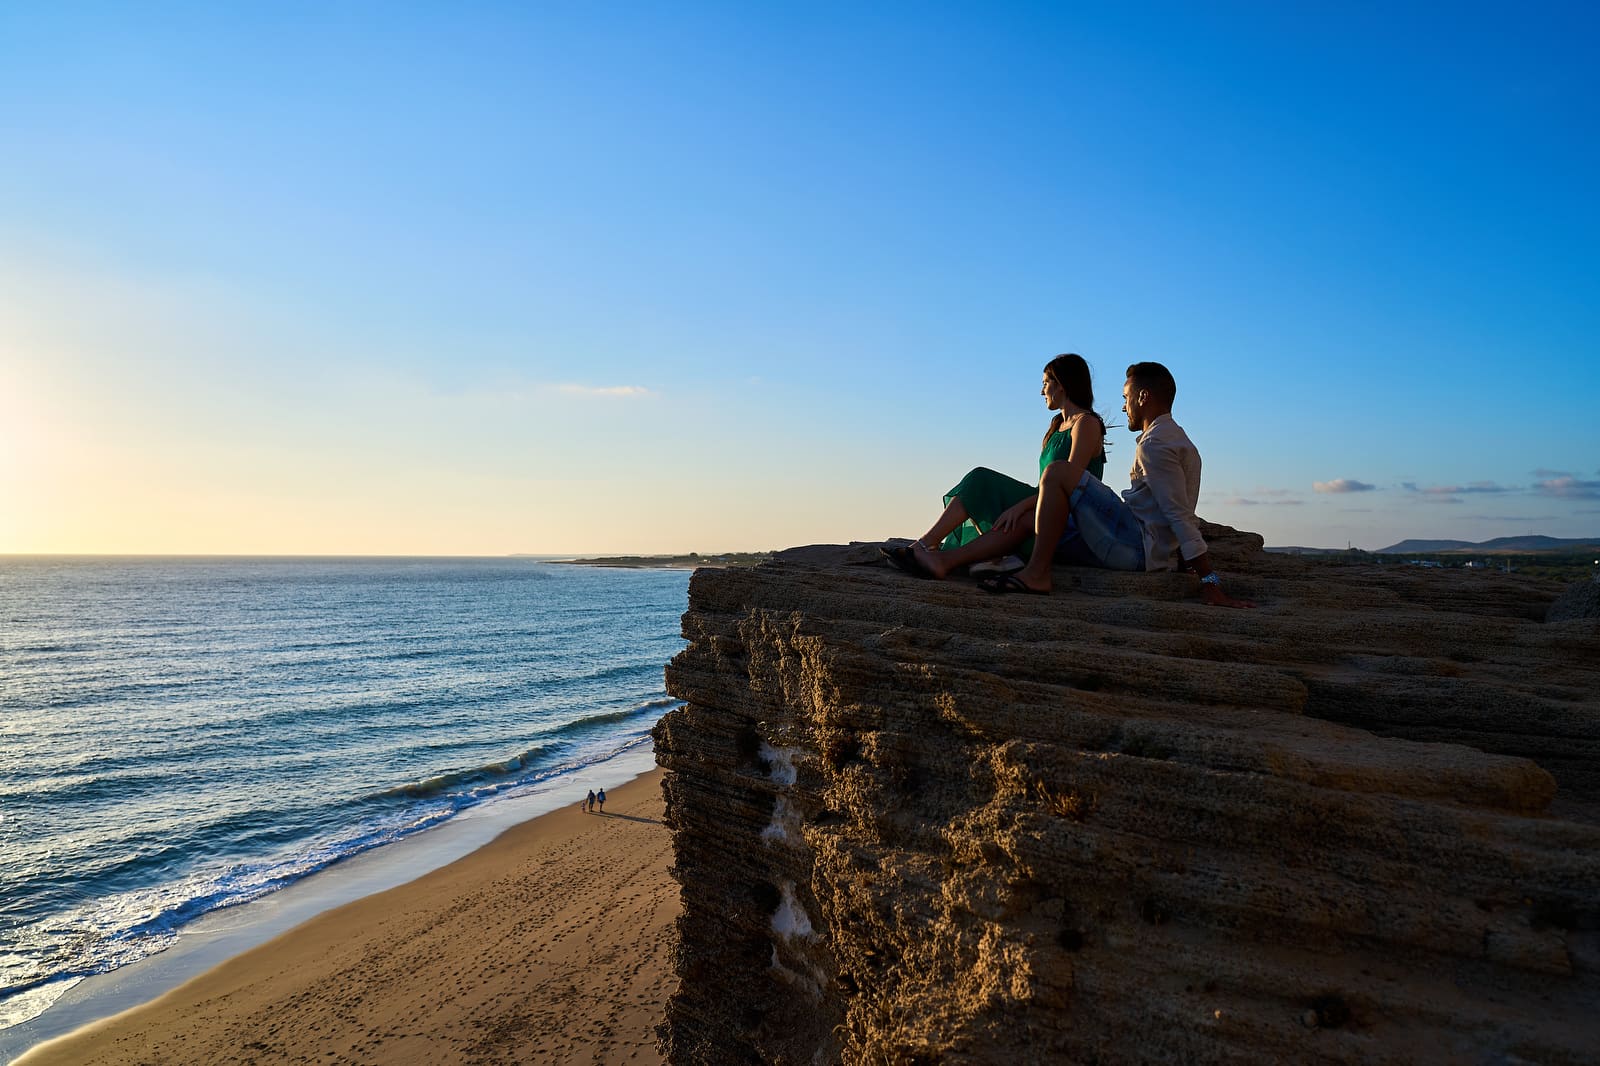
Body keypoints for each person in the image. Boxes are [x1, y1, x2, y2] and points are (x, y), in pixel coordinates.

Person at [983, 361, 1253, 607]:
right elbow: (1180, 507)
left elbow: (1178, 515)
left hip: (1135, 547)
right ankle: (986, 560)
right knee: (1036, 521)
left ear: (1143, 397)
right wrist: (1182, 561)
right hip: (1144, 550)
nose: (1124, 407)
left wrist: (1209, 581)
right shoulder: (1180, 441)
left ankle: (1035, 574)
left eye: (1126, 398)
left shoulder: (1155, 445)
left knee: (1057, 473)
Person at [883, 353, 1107, 581]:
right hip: (1040, 502)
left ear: (1061, 384)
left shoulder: (1086, 424)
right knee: (980, 483)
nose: (1042, 392)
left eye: (1045, 383)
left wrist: (1019, 507)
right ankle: (928, 546)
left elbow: (1070, 485)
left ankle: (925, 546)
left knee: (981, 479)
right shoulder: (1057, 426)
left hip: (1066, 514)